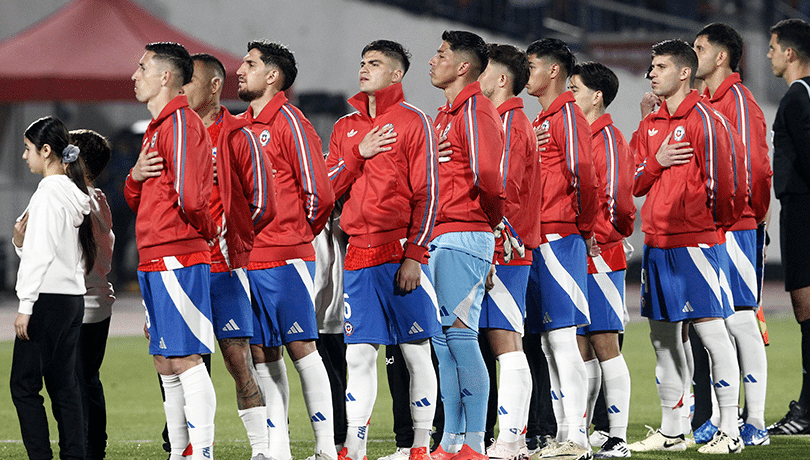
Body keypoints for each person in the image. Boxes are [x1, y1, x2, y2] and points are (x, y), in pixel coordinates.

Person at [628, 39, 744, 455]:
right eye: (651, 65)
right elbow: (635, 181)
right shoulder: (652, 123)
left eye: (658, 66)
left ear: (682, 72)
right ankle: (674, 429)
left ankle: (729, 428)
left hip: (695, 243)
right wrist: (656, 160)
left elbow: (729, 185)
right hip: (657, 244)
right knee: (662, 340)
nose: (650, 73)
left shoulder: (706, 120)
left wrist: (712, 227)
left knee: (713, 336)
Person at [326, 39, 440, 460]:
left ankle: (421, 445)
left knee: (415, 351)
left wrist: (415, 254)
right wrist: (358, 153)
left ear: (397, 74)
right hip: (357, 254)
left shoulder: (415, 122)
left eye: (375, 63)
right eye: (362, 62)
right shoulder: (345, 127)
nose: (364, 68)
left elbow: (428, 194)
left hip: (398, 252)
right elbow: (326, 189)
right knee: (357, 355)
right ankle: (354, 448)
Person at [236, 40, 336, 460]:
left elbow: (320, 192)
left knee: (302, 348)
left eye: (250, 64)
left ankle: (326, 449)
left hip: (286, 255)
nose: (240, 70)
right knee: (260, 351)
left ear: (272, 76)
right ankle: (277, 450)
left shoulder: (290, 121)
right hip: (248, 258)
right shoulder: (238, 126)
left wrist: (296, 234)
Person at [126, 42, 219, 460]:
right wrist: (133, 177)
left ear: (166, 77)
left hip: (176, 256)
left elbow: (193, 198)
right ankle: (179, 450)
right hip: (156, 257)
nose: (135, 74)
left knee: (185, 359)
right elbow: (141, 198)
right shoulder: (157, 128)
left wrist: (198, 236)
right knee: (166, 361)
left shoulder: (180, 122)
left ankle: (201, 453)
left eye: (143, 67)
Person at [184, 52, 277, 459]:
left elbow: (264, 202)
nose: (183, 88)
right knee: (178, 364)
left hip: (224, 266)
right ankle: (187, 448)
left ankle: (262, 451)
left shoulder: (238, 133)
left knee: (241, 363)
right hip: (183, 266)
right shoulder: (175, 134)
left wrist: (236, 237)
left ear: (214, 85)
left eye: (191, 81)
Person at [691, 23, 772, 446]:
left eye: (700, 48)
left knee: (740, 320)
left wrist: (750, 217)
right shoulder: (704, 103)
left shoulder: (737, 101)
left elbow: (755, 166)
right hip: (711, 227)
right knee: (716, 324)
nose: (694, 53)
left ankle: (754, 422)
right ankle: (727, 418)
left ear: (722, 57)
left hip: (736, 224)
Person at [427, 29, 505, 460]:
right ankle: (450, 440)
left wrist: (489, 226)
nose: (432, 60)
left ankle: (474, 440)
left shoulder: (476, 111)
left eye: (441, 54)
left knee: (460, 337)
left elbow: (491, 179)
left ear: (462, 66)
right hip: (444, 234)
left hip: (464, 231)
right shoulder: (447, 115)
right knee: (443, 341)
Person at [523, 37, 599, 460]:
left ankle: (579, 438)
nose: (526, 72)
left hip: (559, 237)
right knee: (550, 343)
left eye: (531, 65)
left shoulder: (567, 114)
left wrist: (582, 226)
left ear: (554, 71)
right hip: (539, 238)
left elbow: (585, 175)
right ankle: (562, 435)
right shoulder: (543, 118)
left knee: (563, 339)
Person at [11, 116, 96, 460]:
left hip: (46, 298)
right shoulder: (74, 191)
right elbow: (51, 246)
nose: (24, 156)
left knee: (24, 386)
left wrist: (26, 303)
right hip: (71, 299)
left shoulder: (48, 192)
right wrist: (20, 240)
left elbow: (40, 252)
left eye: (28, 149)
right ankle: (75, 455)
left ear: (46, 151)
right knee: (64, 386)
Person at [475, 43, 541, 460]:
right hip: (504, 244)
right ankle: (504, 438)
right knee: (498, 340)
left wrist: (488, 245)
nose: (476, 79)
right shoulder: (505, 121)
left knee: (506, 341)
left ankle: (513, 439)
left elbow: (500, 191)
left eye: (483, 72)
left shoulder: (509, 125)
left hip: (505, 248)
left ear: (501, 79)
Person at [567, 62, 636, 458]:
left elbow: (620, 203)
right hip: (579, 254)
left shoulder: (606, 137)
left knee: (605, 342)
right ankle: (587, 429)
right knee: (581, 346)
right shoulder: (578, 135)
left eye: (575, 88)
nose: (569, 95)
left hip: (600, 256)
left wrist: (603, 238)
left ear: (596, 96)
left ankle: (618, 437)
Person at [766, 17, 810, 436]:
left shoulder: (798, 97)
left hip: (803, 216)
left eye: (773, 47)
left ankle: (808, 411)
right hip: (800, 213)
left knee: (808, 310)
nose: (769, 54)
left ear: (790, 53)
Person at [70, 128, 115, 460]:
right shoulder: (98, 198)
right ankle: (93, 445)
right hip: (99, 299)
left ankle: (86, 447)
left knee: (75, 382)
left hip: (77, 303)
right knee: (87, 379)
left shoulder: (72, 199)